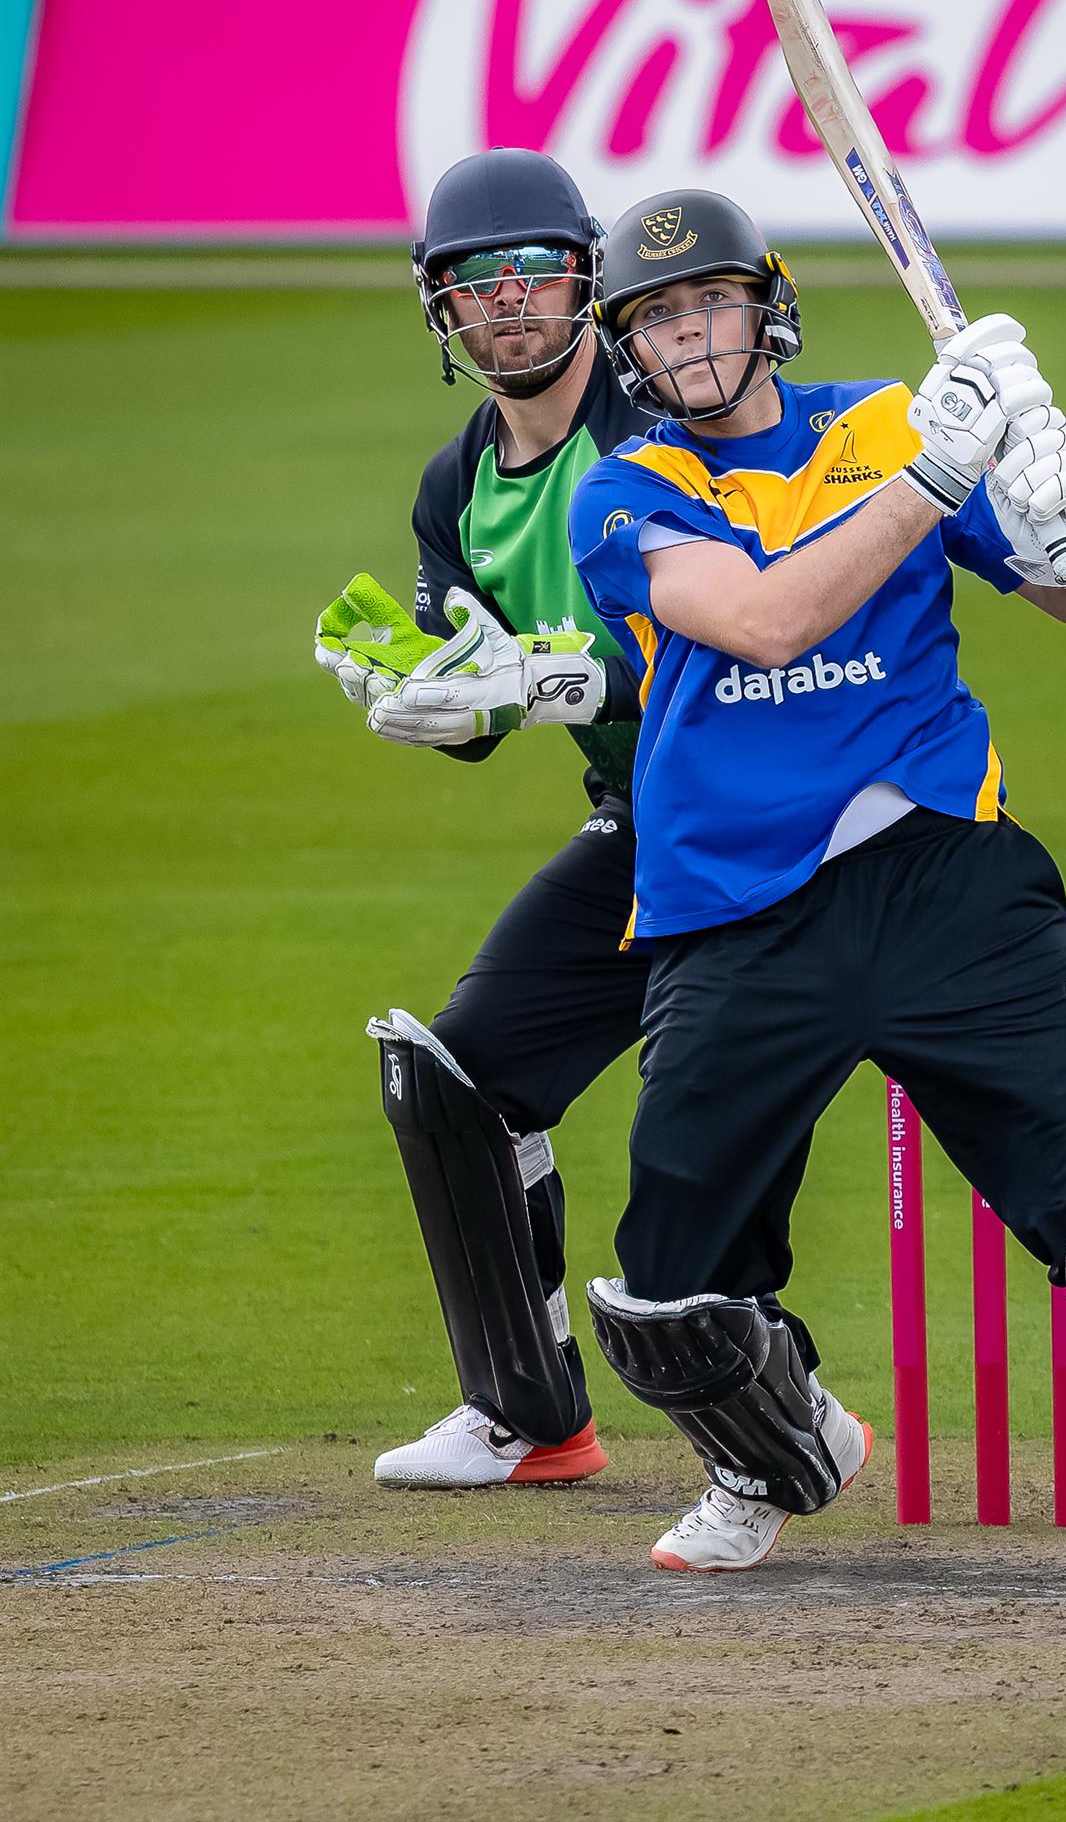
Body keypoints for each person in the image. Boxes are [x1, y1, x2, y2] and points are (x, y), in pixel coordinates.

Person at [563, 188, 1066, 1577]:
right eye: (658, 316)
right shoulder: (630, 488)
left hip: (946, 872)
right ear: (632, 346)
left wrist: (1053, 522)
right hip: (734, 900)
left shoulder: (888, 421)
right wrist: (936, 477)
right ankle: (774, 1449)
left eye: (712, 303)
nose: (689, 335)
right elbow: (760, 621)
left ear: (769, 307)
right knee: (671, 1275)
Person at [312, 148, 661, 1489]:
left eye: (535, 274)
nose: (509, 302)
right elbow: (488, 692)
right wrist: (440, 700)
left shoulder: (666, 425)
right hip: (645, 821)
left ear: (586, 282)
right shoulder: (455, 486)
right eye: (476, 281)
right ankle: (529, 1410)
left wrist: (562, 670)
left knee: (1015, 1101)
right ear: (439, 307)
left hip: (811, 814)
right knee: (458, 1080)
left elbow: (740, 630)